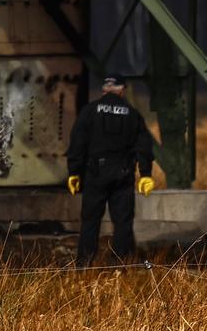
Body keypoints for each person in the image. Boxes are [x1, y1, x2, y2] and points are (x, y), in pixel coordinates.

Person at [65, 75, 155, 266]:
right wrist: (146, 174)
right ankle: (122, 264)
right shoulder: (132, 113)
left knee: (90, 221)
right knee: (123, 222)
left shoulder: (89, 111)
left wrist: (74, 172)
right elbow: (144, 146)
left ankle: (84, 264)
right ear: (122, 90)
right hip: (123, 175)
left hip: (95, 174)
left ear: (104, 89)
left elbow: (77, 142)